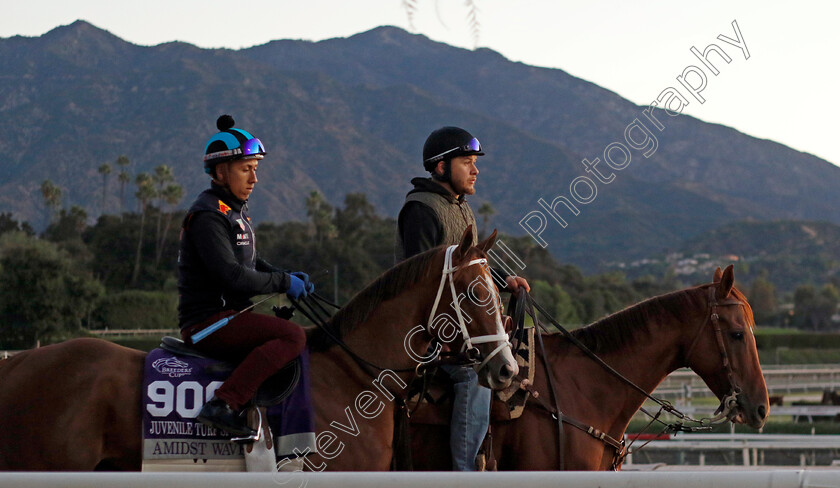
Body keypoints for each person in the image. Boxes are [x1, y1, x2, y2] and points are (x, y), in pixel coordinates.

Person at [396, 126, 530, 470]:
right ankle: (465, 473)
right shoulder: (421, 210)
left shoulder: (461, 207)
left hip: (460, 325)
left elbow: (470, 264)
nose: (475, 170)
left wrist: (504, 280)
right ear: (441, 167)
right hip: (426, 331)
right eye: (467, 162)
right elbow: (421, 281)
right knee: (476, 375)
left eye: (475, 162)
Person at [178, 114, 312, 437]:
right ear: (221, 172)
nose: (254, 178)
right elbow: (233, 276)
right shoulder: (208, 216)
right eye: (246, 169)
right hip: (208, 323)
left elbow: (251, 261)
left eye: (255, 168)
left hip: (228, 316)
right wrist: (282, 283)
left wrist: (284, 275)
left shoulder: (233, 211)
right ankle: (223, 404)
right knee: (293, 336)